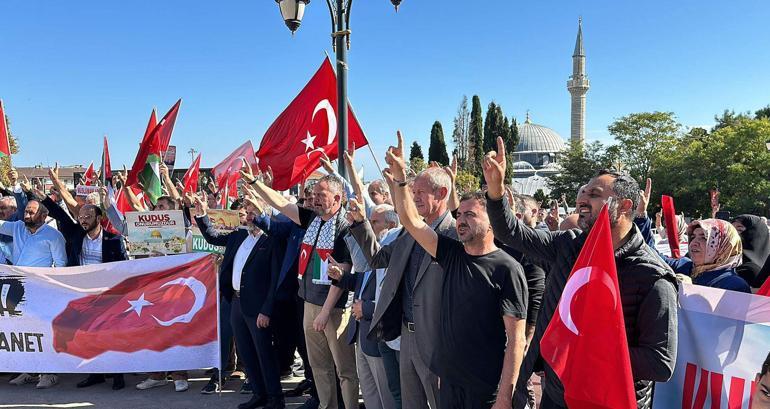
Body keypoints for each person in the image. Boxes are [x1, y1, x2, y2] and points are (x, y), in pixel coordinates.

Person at [482, 137, 679, 409]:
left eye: (595, 194)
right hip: (555, 395)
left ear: (624, 207)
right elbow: (511, 232)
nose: (582, 200)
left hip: (607, 402)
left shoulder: (652, 277)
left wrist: (587, 349)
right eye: (583, 192)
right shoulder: (568, 245)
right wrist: (495, 192)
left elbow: (660, 363)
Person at [380, 134, 528, 408]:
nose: (460, 220)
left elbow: (516, 340)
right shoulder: (452, 254)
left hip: (485, 390)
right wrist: (401, 180)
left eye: (470, 215)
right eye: (459, 215)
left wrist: (505, 397)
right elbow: (411, 220)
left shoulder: (508, 268)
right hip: (448, 383)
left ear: (492, 221)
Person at [350, 133, 456, 409]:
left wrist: (398, 178)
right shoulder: (408, 234)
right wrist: (361, 223)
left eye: (421, 192)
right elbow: (376, 259)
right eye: (413, 192)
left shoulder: (454, 235)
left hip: (437, 342)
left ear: (442, 194)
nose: (415, 198)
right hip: (405, 335)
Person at [243, 165, 359, 409]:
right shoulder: (311, 220)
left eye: (321, 195)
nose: (314, 199)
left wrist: (326, 311)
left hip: (334, 309)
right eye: (313, 194)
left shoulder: (345, 227)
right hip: (309, 304)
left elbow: (342, 273)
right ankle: (327, 406)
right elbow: (281, 204)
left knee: (344, 369)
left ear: (337, 198)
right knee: (319, 366)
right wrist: (256, 183)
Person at [194, 194, 285, 409]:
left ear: (264, 213)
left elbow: (274, 280)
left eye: (253, 211)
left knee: (264, 354)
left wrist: (267, 310)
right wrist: (202, 214)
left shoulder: (272, 239)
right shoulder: (239, 235)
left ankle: (275, 398)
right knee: (246, 352)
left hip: (258, 308)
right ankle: (259, 393)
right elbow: (213, 237)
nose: (248, 215)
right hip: (236, 303)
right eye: (247, 210)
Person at [41, 194, 129, 390]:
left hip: (107, 297)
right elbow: (61, 216)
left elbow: (124, 268)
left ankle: (117, 375)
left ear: (98, 218)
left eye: (88, 216)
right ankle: (95, 374)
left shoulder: (114, 240)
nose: (83, 220)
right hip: (83, 295)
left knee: (110, 336)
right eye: (80, 216)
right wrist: (43, 198)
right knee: (88, 335)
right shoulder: (77, 234)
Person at [330, 202, 400, 409]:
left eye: (374, 221)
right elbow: (360, 284)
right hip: (361, 334)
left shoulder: (393, 252)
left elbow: (393, 298)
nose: (369, 226)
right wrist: (342, 276)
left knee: (386, 395)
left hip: (378, 333)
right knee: (369, 395)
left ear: (391, 224)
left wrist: (367, 308)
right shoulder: (370, 252)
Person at [3, 200, 67, 389]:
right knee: (22, 330)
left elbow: (61, 265)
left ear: (43, 216)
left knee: (43, 331)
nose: (26, 215)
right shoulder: (16, 228)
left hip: (42, 291)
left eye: (31, 212)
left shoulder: (54, 236)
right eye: (26, 212)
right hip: (16, 288)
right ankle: (29, 370)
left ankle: (49, 373)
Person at [732, 214, 770, 288]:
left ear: (756, 233)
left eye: (739, 229)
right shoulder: (727, 263)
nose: (734, 234)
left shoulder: (749, 271)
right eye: (732, 230)